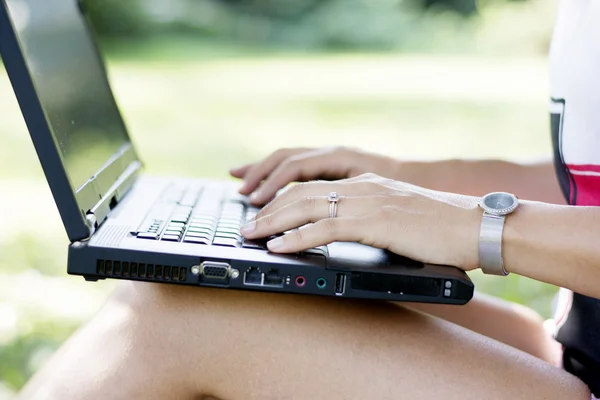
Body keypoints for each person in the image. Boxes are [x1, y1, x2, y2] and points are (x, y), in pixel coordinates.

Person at [16, 0, 600, 399]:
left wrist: (479, 225)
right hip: (569, 346)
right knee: (209, 282)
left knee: (179, 318)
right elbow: (583, 183)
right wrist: (402, 181)